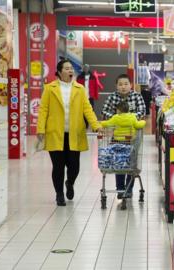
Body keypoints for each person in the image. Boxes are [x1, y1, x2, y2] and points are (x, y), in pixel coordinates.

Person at [37, 59, 102, 206]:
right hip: (55, 133)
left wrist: (96, 125)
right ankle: (59, 194)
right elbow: (43, 110)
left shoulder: (79, 89)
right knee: (58, 166)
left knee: (74, 166)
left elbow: (87, 109)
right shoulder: (50, 88)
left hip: (74, 133)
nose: (70, 71)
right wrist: (40, 129)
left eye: (71, 68)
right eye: (66, 68)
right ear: (59, 72)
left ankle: (70, 183)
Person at [102, 74, 147, 198]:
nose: (123, 87)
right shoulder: (112, 97)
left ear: (130, 85)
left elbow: (142, 111)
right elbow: (104, 111)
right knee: (119, 161)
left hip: (134, 136)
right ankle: (120, 188)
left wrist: (129, 118)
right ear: (116, 86)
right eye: (120, 84)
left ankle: (129, 188)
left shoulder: (137, 96)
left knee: (132, 162)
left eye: (126, 84)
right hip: (118, 136)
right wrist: (117, 118)